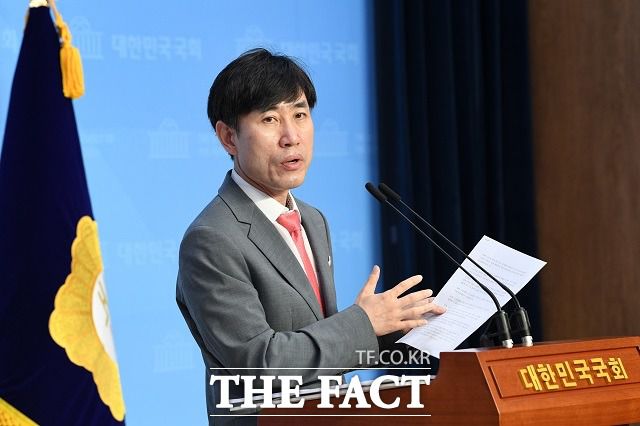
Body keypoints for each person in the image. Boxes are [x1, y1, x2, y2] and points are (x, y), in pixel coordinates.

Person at [176, 48, 446, 424]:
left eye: (300, 115)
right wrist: (363, 322)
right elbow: (260, 364)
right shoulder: (212, 238)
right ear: (228, 137)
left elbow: (317, 345)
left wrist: (394, 324)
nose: (291, 137)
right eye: (270, 119)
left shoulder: (313, 220)